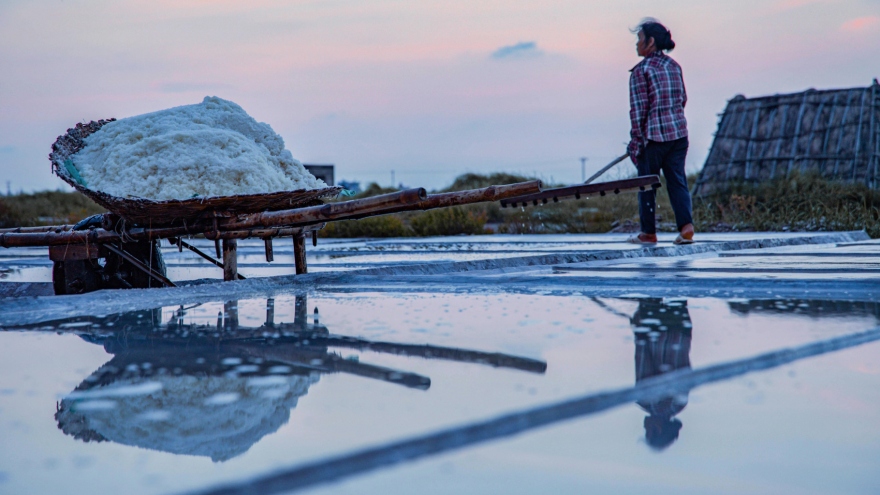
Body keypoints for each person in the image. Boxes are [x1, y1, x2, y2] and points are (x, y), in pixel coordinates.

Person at [627, 19, 694, 245]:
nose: (637, 44)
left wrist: (636, 143)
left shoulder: (641, 71)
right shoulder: (674, 66)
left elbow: (639, 112)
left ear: (651, 42)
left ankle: (648, 233)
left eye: (639, 39)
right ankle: (686, 228)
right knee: (677, 181)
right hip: (679, 135)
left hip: (654, 138)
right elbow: (682, 99)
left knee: (647, 183)